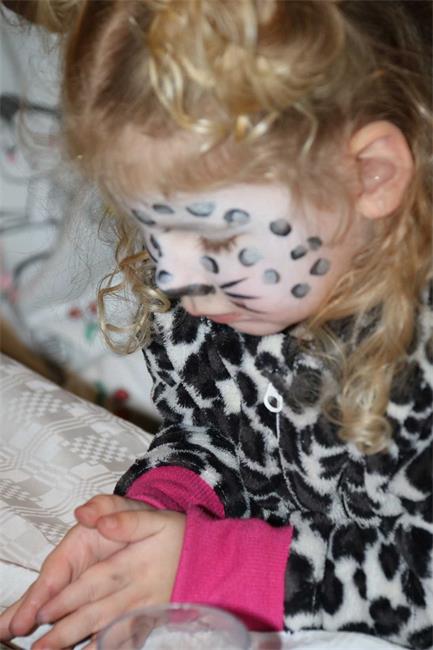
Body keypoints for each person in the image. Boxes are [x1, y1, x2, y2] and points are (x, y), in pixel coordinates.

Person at [0, 1, 432, 648]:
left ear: (369, 175)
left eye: (218, 239)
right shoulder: (218, 306)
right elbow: (210, 430)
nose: (173, 280)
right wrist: (164, 505)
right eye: (151, 228)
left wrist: (217, 567)